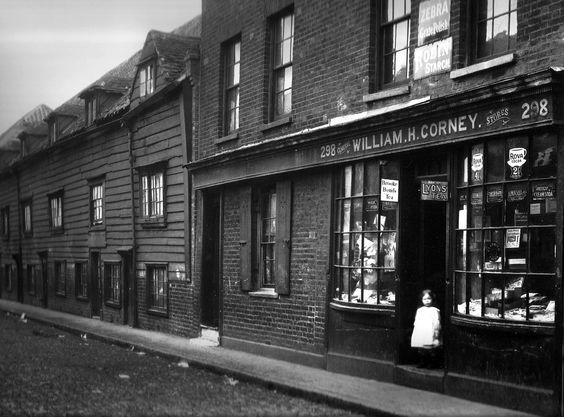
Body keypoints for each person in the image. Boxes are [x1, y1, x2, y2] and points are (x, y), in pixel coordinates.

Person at [411, 289, 441, 368]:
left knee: (430, 348)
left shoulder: (435, 310)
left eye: (429, 299)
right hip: (421, 331)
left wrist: (436, 332)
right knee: (421, 348)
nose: (427, 301)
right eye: (424, 299)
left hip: (430, 332)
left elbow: (437, 322)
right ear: (421, 300)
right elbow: (416, 321)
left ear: (432, 299)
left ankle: (431, 363)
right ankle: (422, 362)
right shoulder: (420, 310)